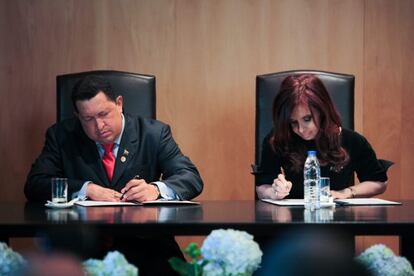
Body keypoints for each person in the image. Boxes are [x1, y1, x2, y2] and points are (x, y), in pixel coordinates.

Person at [25, 75, 203, 275]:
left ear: (119, 103)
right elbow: (35, 184)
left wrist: (155, 189)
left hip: (147, 247)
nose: (99, 126)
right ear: (77, 115)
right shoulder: (61, 136)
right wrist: (86, 189)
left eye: (104, 114)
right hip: (84, 249)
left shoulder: (154, 134)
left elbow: (190, 177)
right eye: (88, 119)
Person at [256, 74, 387, 200]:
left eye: (307, 119)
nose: (301, 129)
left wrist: (348, 192)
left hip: (339, 216)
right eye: (293, 122)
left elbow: (379, 182)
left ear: (322, 111)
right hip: (292, 216)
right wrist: (273, 192)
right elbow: (262, 186)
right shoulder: (279, 138)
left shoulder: (351, 140)